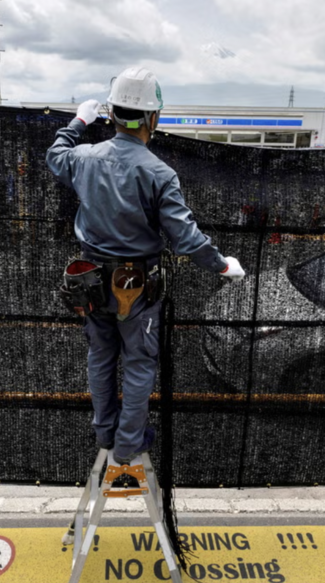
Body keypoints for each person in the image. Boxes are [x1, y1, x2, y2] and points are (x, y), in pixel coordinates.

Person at [46, 67, 245, 464]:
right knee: (138, 363)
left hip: (90, 281)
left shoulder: (84, 158)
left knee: (101, 355)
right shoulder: (158, 173)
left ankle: (106, 433)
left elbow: (55, 155)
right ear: (153, 118)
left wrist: (77, 122)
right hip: (135, 285)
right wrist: (223, 266)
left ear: (112, 114)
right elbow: (186, 238)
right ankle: (126, 445)